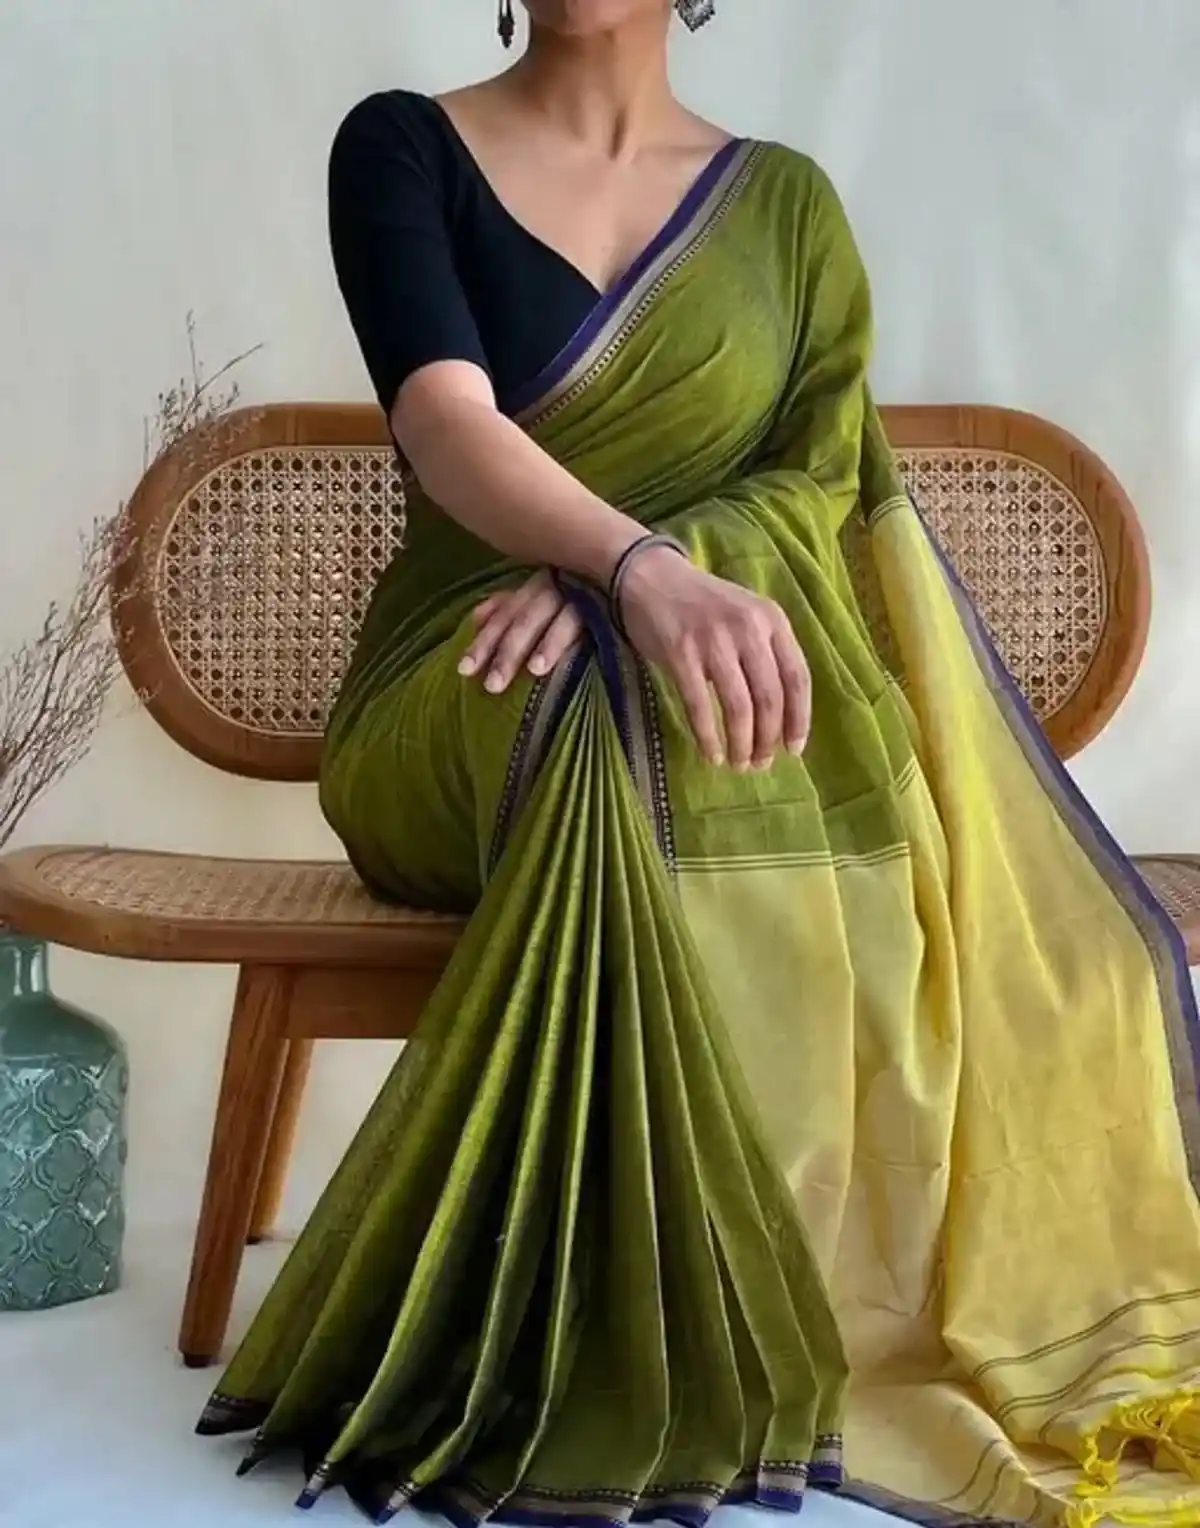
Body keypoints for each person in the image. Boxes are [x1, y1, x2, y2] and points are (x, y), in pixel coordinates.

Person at [197, 3, 1200, 1525]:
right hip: (454, 690)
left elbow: (816, 479)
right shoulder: (404, 145)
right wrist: (633, 570)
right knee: (594, 697)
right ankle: (615, 1342)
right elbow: (445, 424)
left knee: (643, 697)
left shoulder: (784, 208)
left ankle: (753, 1300)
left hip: (676, 670)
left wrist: (632, 586)